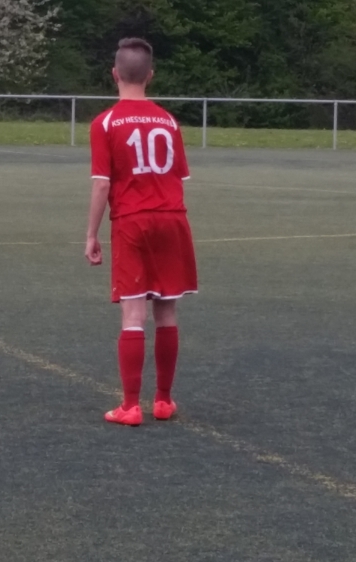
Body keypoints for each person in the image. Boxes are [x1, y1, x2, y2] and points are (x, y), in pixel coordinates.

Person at [86, 38, 198, 427]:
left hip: (132, 222)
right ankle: (163, 400)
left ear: (114, 74)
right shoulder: (168, 121)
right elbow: (178, 176)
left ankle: (130, 406)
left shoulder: (105, 122)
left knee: (133, 312)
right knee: (166, 309)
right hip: (172, 219)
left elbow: (102, 183)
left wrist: (91, 234)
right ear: (150, 76)